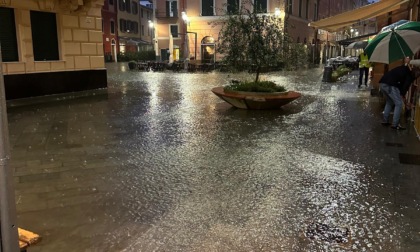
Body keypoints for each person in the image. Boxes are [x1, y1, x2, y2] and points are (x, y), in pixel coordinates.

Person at [380, 57, 420, 130]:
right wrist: (403, 98)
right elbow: (404, 88)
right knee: (399, 104)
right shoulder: (409, 77)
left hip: (383, 83)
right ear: (415, 76)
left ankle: (385, 121)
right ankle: (395, 124)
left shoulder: (404, 68)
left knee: (390, 101)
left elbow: (400, 86)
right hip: (390, 85)